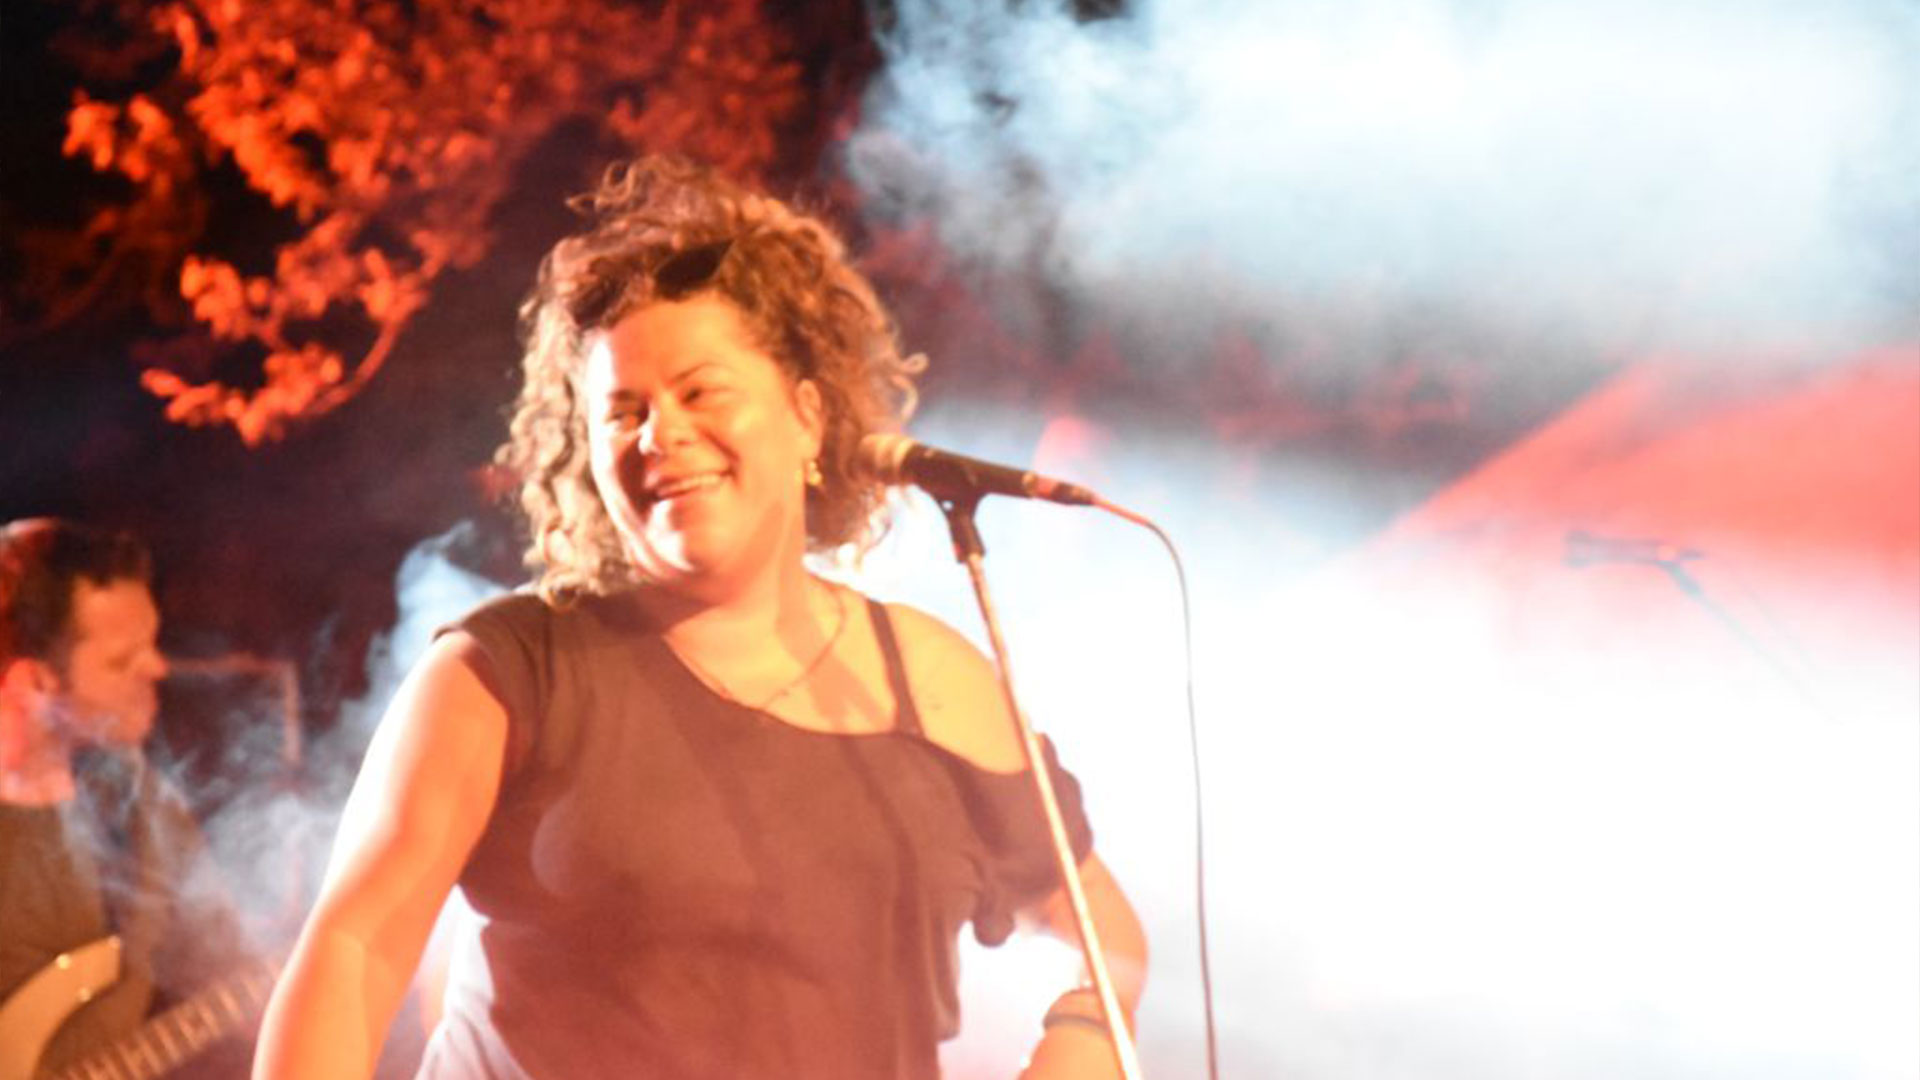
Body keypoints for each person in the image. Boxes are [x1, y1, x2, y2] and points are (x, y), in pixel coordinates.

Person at [254, 154, 1147, 1080]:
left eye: (701, 390)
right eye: (621, 412)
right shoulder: (508, 673)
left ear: (807, 417)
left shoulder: (933, 680)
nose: (660, 433)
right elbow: (353, 951)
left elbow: (1103, 939)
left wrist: (1076, 1046)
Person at [0, 518, 251, 1077]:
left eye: (152, 643)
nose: (157, 667)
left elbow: (227, 977)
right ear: (35, 683)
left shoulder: (144, 809)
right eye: (122, 659)